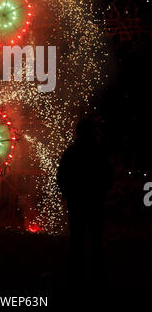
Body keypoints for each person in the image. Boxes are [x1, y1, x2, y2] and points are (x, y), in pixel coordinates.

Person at [57, 118, 112, 287]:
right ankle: (98, 277)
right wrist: (101, 191)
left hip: (77, 202)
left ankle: (76, 277)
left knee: (77, 241)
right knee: (95, 240)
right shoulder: (99, 151)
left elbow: (61, 176)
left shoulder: (71, 152)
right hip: (94, 201)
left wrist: (67, 193)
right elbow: (108, 175)